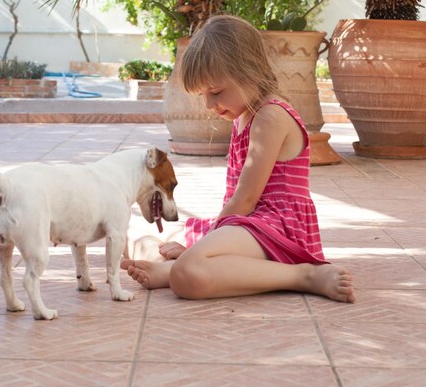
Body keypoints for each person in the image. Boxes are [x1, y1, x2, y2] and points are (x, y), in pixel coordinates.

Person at [121, 15, 356, 303]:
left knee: (188, 273)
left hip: (276, 228)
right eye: (204, 95)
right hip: (245, 223)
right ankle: (175, 266)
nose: (209, 105)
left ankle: (304, 275)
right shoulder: (243, 116)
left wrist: (202, 244)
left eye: (216, 92)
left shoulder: (270, 116)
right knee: (133, 237)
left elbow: (244, 200)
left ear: (249, 71)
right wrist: (203, 239)